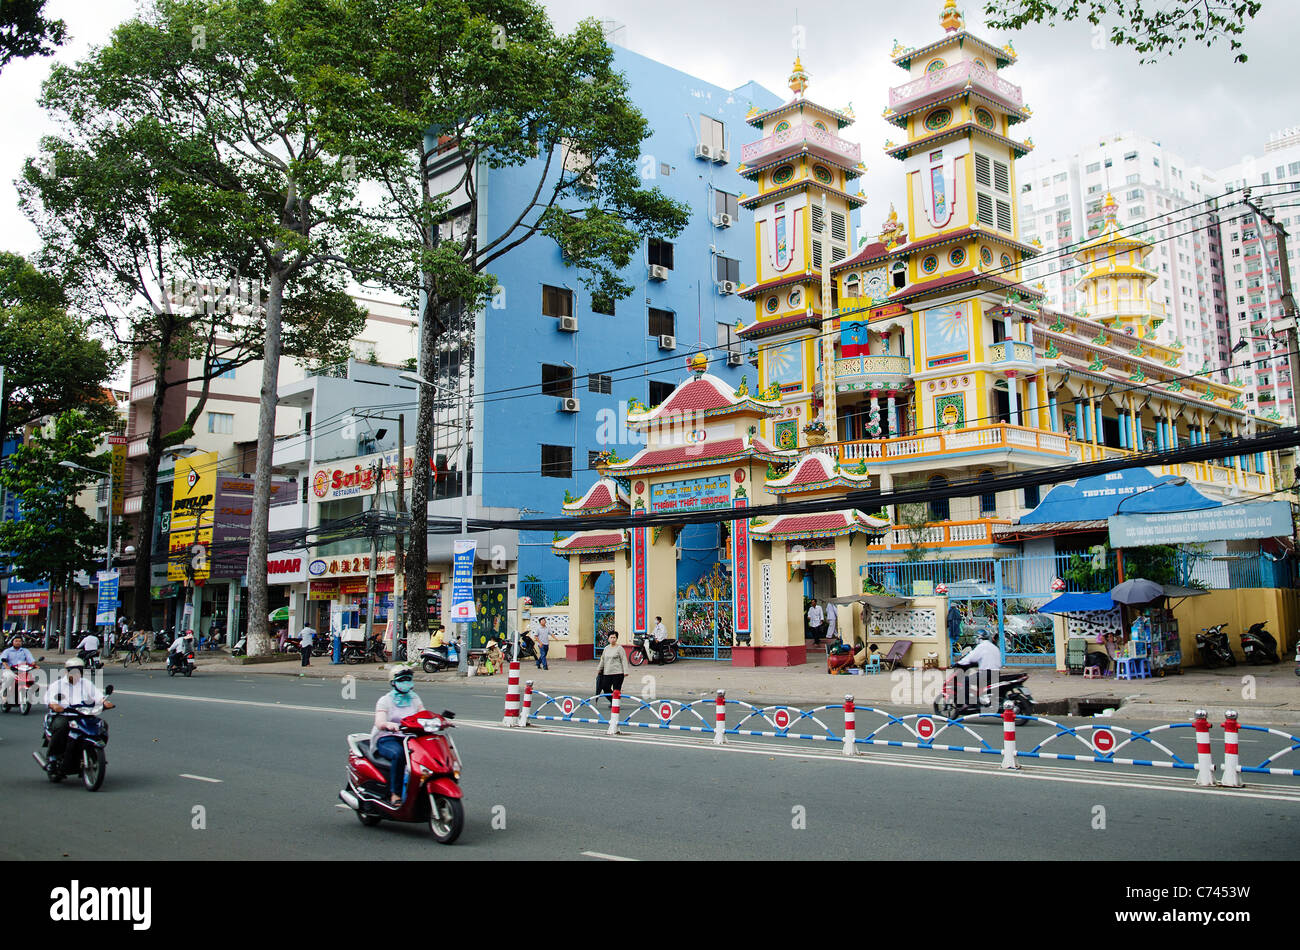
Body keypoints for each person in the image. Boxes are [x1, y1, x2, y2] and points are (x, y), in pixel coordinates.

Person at [44, 658, 113, 775]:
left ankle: (91, 753)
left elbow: (98, 696)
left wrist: (105, 702)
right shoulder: (58, 685)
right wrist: (54, 705)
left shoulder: (86, 683)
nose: (76, 674)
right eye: (73, 671)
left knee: (102, 725)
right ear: (67, 672)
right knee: (62, 727)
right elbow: (50, 699)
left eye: (79, 671)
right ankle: (53, 759)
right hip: (64, 715)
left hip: (82, 715)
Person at [372, 668, 426, 805]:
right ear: (393, 682)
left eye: (408, 679)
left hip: (410, 738)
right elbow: (379, 722)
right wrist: (388, 725)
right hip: (388, 738)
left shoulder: (414, 698)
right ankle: (395, 794)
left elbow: (423, 715)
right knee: (399, 754)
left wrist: (440, 721)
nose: (406, 682)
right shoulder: (385, 700)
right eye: (402, 680)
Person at [955, 631, 1001, 706]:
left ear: (979, 638)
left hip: (986, 673)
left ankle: (968, 702)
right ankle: (980, 698)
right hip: (996, 672)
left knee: (965, 681)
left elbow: (971, 657)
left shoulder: (981, 646)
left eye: (976, 638)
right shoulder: (993, 647)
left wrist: (959, 663)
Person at [1, 633, 37, 704]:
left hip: (22, 670)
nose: (18, 643)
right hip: (10, 670)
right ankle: (4, 694)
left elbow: (30, 659)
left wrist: (34, 664)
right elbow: (3, 659)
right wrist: (6, 666)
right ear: (12, 642)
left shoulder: (25, 650)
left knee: (31, 677)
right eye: (16, 641)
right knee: (10, 677)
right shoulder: (7, 651)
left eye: (19, 641)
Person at [595, 631, 629, 706]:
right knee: (605, 687)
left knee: (616, 690)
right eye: (611, 637)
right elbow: (602, 659)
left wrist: (625, 671)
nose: (613, 639)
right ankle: (613, 700)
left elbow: (624, 659)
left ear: (616, 639)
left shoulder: (619, 648)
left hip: (618, 673)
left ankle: (615, 703)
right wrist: (599, 669)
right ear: (608, 639)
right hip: (607, 672)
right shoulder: (606, 648)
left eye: (614, 637)